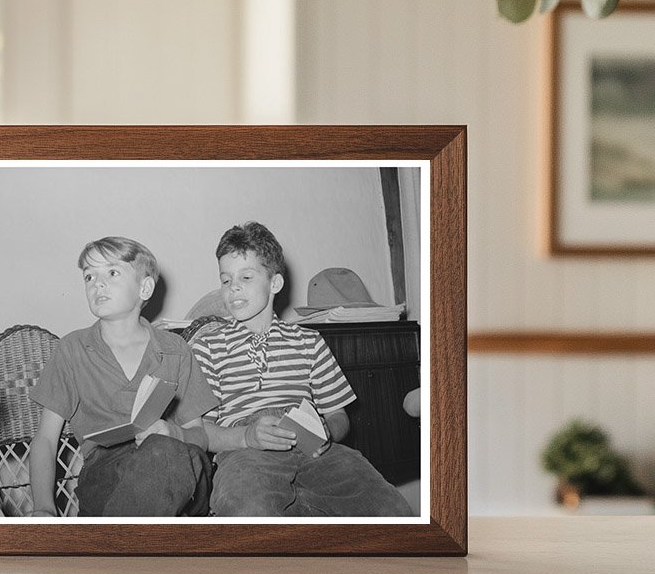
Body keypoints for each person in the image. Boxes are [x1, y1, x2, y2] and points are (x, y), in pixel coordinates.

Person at [191, 221, 414, 518]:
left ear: (275, 284)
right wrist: (246, 436)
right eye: (225, 280)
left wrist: (327, 431)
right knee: (249, 510)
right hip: (246, 454)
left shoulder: (308, 341)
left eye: (246, 277)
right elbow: (201, 432)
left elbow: (338, 416)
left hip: (315, 450)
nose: (233, 288)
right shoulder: (208, 346)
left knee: (389, 508)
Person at [28, 236, 216, 517]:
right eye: (89, 276)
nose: (97, 284)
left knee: (163, 452)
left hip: (179, 466)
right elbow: (45, 439)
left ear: (145, 288)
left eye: (112, 273)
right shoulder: (72, 350)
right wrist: (44, 508)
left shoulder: (175, 349)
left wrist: (175, 433)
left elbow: (200, 436)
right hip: (105, 472)